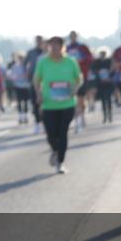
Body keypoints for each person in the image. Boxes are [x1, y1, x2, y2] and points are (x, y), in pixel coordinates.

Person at [33, 36, 82, 174]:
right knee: (50, 134)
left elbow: (79, 78)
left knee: (63, 132)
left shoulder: (70, 62)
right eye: (51, 45)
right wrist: (38, 94)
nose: (54, 48)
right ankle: (55, 150)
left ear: (62, 47)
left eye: (57, 45)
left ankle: (60, 162)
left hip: (67, 104)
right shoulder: (43, 62)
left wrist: (75, 89)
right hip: (49, 104)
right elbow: (37, 80)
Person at [65, 31, 93, 134]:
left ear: (76, 36)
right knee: (74, 99)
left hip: (81, 76)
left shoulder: (82, 47)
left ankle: (81, 117)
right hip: (69, 78)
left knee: (81, 99)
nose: (72, 38)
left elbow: (90, 58)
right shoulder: (66, 48)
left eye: (74, 36)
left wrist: (80, 62)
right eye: (71, 36)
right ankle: (76, 120)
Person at [24, 35, 46, 134]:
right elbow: (25, 65)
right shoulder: (31, 52)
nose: (39, 43)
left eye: (40, 41)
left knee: (45, 103)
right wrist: (27, 72)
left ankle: (46, 122)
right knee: (35, 103)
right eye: (37, 41)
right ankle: (37, 123)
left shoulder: (48, 53)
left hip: (47, 81)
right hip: (34, 81)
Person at [92, 48, 115, 123]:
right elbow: (93, 71)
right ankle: (105, 116)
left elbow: (113, 71)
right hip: (100, 84)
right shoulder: (96, 62)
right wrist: (98, 75)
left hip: (108, 83)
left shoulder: (109, 61)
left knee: (108, 100)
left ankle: (110, 115)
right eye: (101, 54)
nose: (102, 56)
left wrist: (109, 78)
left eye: (104, 54)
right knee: (103, 101)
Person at [8, 53, 32, 124]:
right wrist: (18, 77)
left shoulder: (27, 66)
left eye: (22, 58)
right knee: (19, 102)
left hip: (26, 86)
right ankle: (20, 117)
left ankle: (25, 116)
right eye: (20, 58)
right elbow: (12, 76)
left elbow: (30, 76)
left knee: (25, 102)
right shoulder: (15, 66)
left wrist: (26, 75)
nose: (21, 60)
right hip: (18, 86)